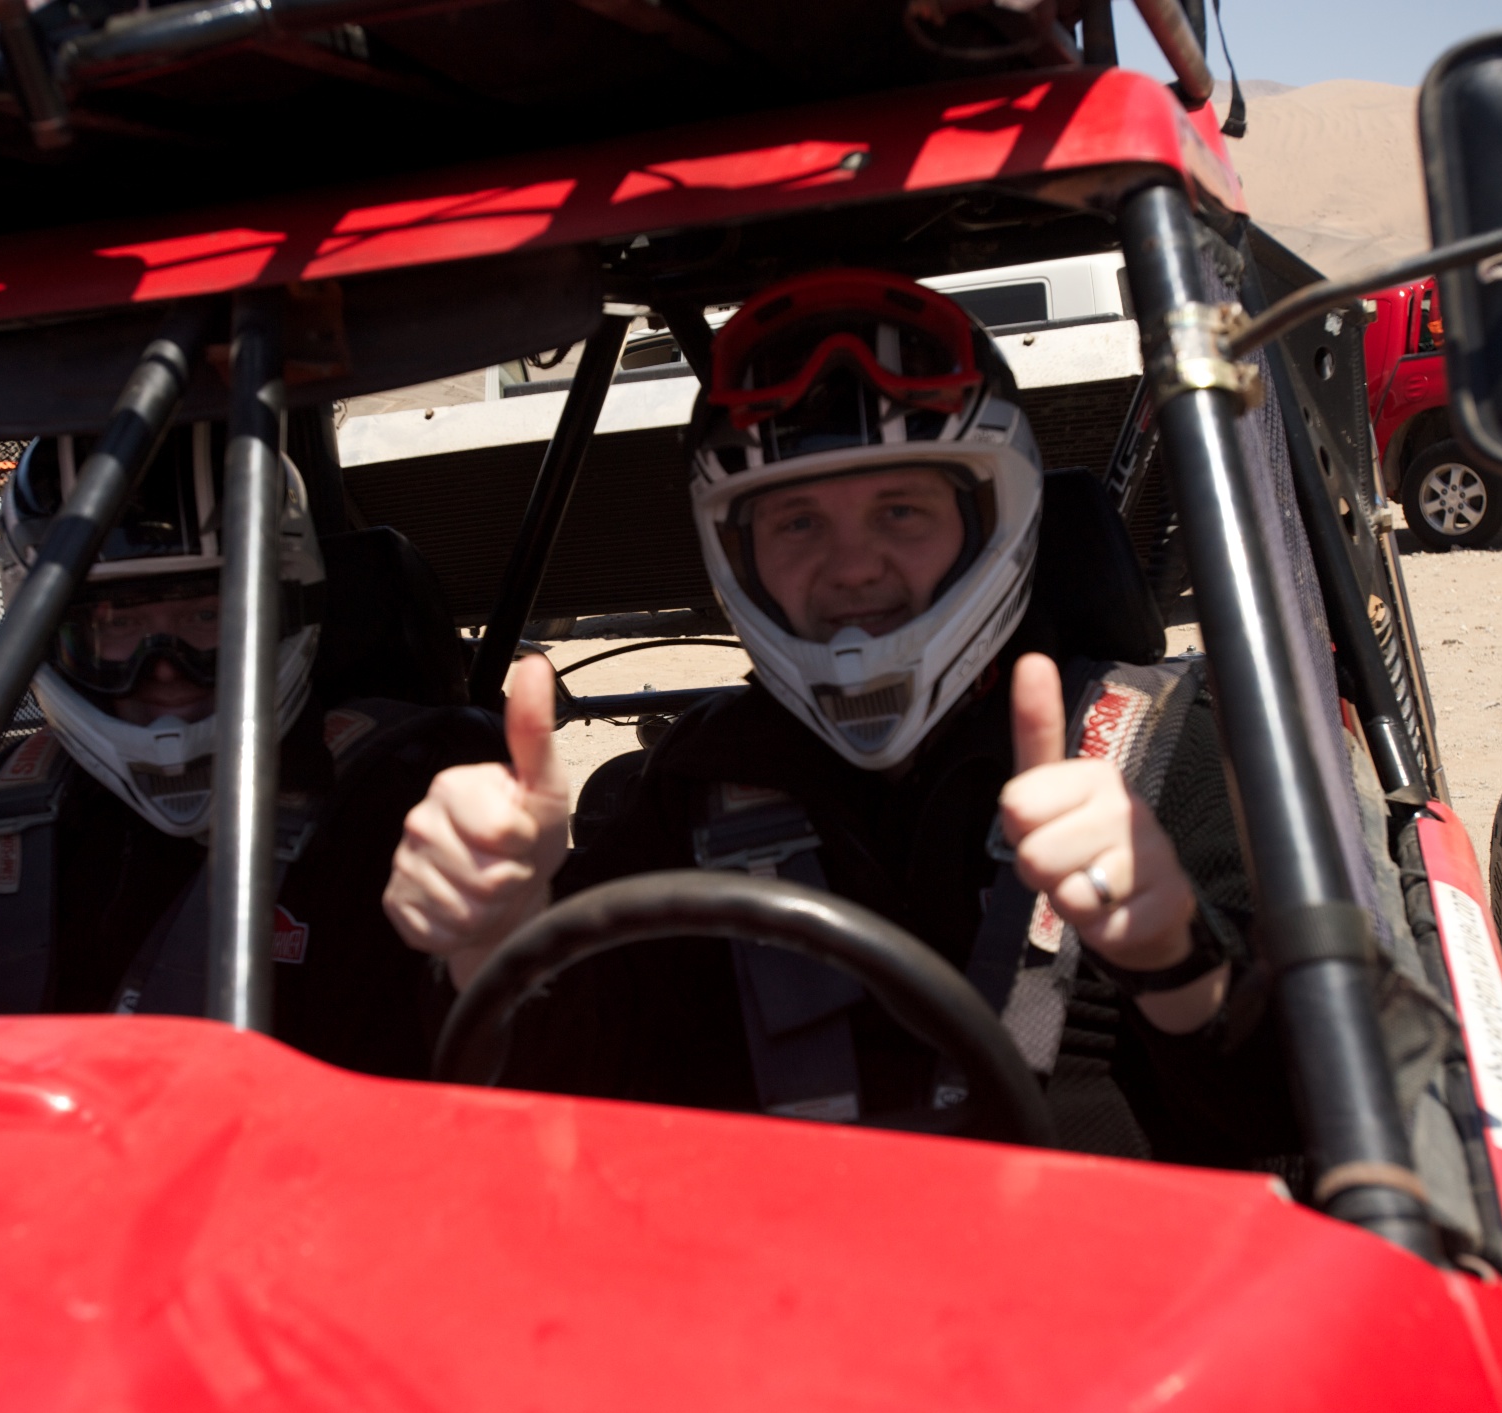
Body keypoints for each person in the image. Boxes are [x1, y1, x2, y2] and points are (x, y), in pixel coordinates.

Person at [383, 269, 1295, 1161]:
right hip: (777, 1257)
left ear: (993, 518)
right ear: (735, 553)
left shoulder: (1156, 749)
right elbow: (558, 1113)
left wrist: (1175, 957)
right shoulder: (695, 788)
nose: (853, 566)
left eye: (900, 510)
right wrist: (496, 943)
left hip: (1102, 1258)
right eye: (797, 523)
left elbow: (1314, 1130)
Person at [0, 426, 498, 1078]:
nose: (163, 671)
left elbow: (520, 1081)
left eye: (206, 616)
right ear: (45, 628)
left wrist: (496, 943)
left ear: (284, 604)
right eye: (117, 626)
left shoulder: (403, 809)